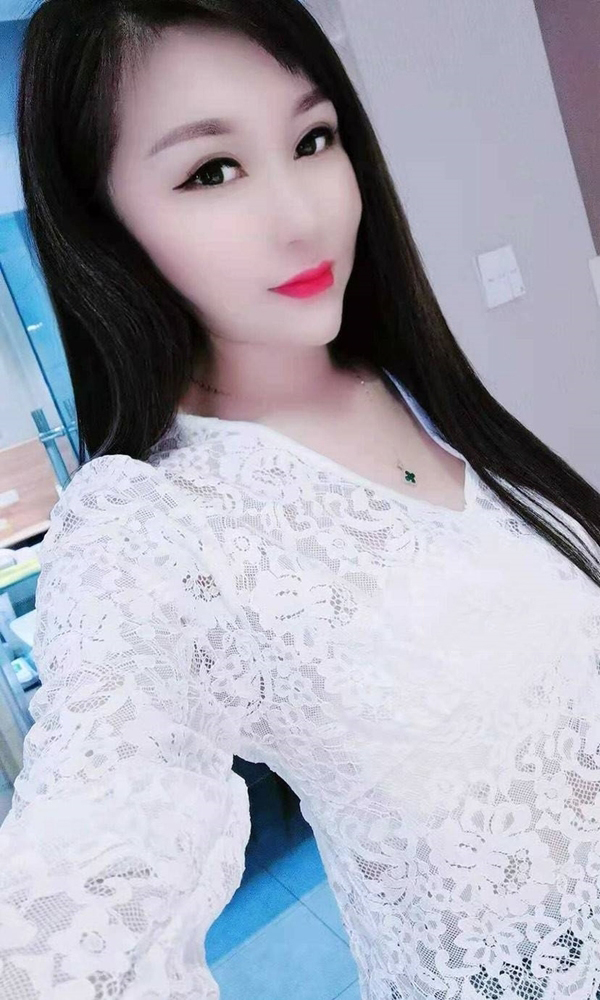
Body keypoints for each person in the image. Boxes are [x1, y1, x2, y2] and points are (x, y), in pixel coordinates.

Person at [1, 0, 599, 997]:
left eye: (312, 139)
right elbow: (88, 867)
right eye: (211, 171)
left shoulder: (403, 380)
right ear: (103, 228)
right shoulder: (149, 530)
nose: (302, 215)